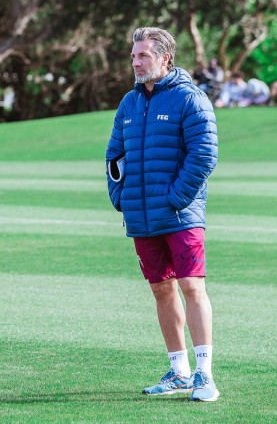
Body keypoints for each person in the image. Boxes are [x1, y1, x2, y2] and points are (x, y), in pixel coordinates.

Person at [106, 27, 220, 402]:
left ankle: (204, 374)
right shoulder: (129, 103)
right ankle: (180, 372)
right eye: (133, 56)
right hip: (141, 215)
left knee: (191, 286)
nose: (136, 63)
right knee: (161, 289)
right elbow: (114, 157)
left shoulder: (191, 98)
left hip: (181, 214)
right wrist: (120, 198)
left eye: (143, 56)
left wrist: (175, 199)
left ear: (165, 58)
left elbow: (204, 155)